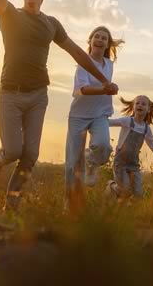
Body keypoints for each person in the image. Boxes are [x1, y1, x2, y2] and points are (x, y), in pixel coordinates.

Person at [0, 0, 118, 210]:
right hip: (10, 92)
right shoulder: (9, 15)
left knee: (30, 154)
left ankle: (12, 206)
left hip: (38, 95)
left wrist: (104, 79)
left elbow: (78, 52)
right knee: (13, 151)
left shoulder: (52, 24)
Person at [65, 26, 124, 210]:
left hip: (100, 114)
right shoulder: (83, 63)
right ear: (90, 41)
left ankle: (91, 161)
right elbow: (82, 90)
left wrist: (108, 90)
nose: (99, 40)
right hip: (78, 116)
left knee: (104, 147)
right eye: (96, 37)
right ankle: (71, 206)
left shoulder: (109, 65)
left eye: (104, 38)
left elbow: (106, 86)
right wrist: (105, 89)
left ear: (107, 44)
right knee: (72, 165)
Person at [106, 95, 153, 198]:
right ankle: (111, 186)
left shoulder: (146, 129)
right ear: (133, 107)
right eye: (137, 103)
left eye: (144, 104)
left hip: (134, 164)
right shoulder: (127, 121)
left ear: (148, 109)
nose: (140, 105)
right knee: (125, 190)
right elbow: (109, 122)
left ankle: (128, 207)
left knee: (139, 194)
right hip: (120, 162)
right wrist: (96, 119)